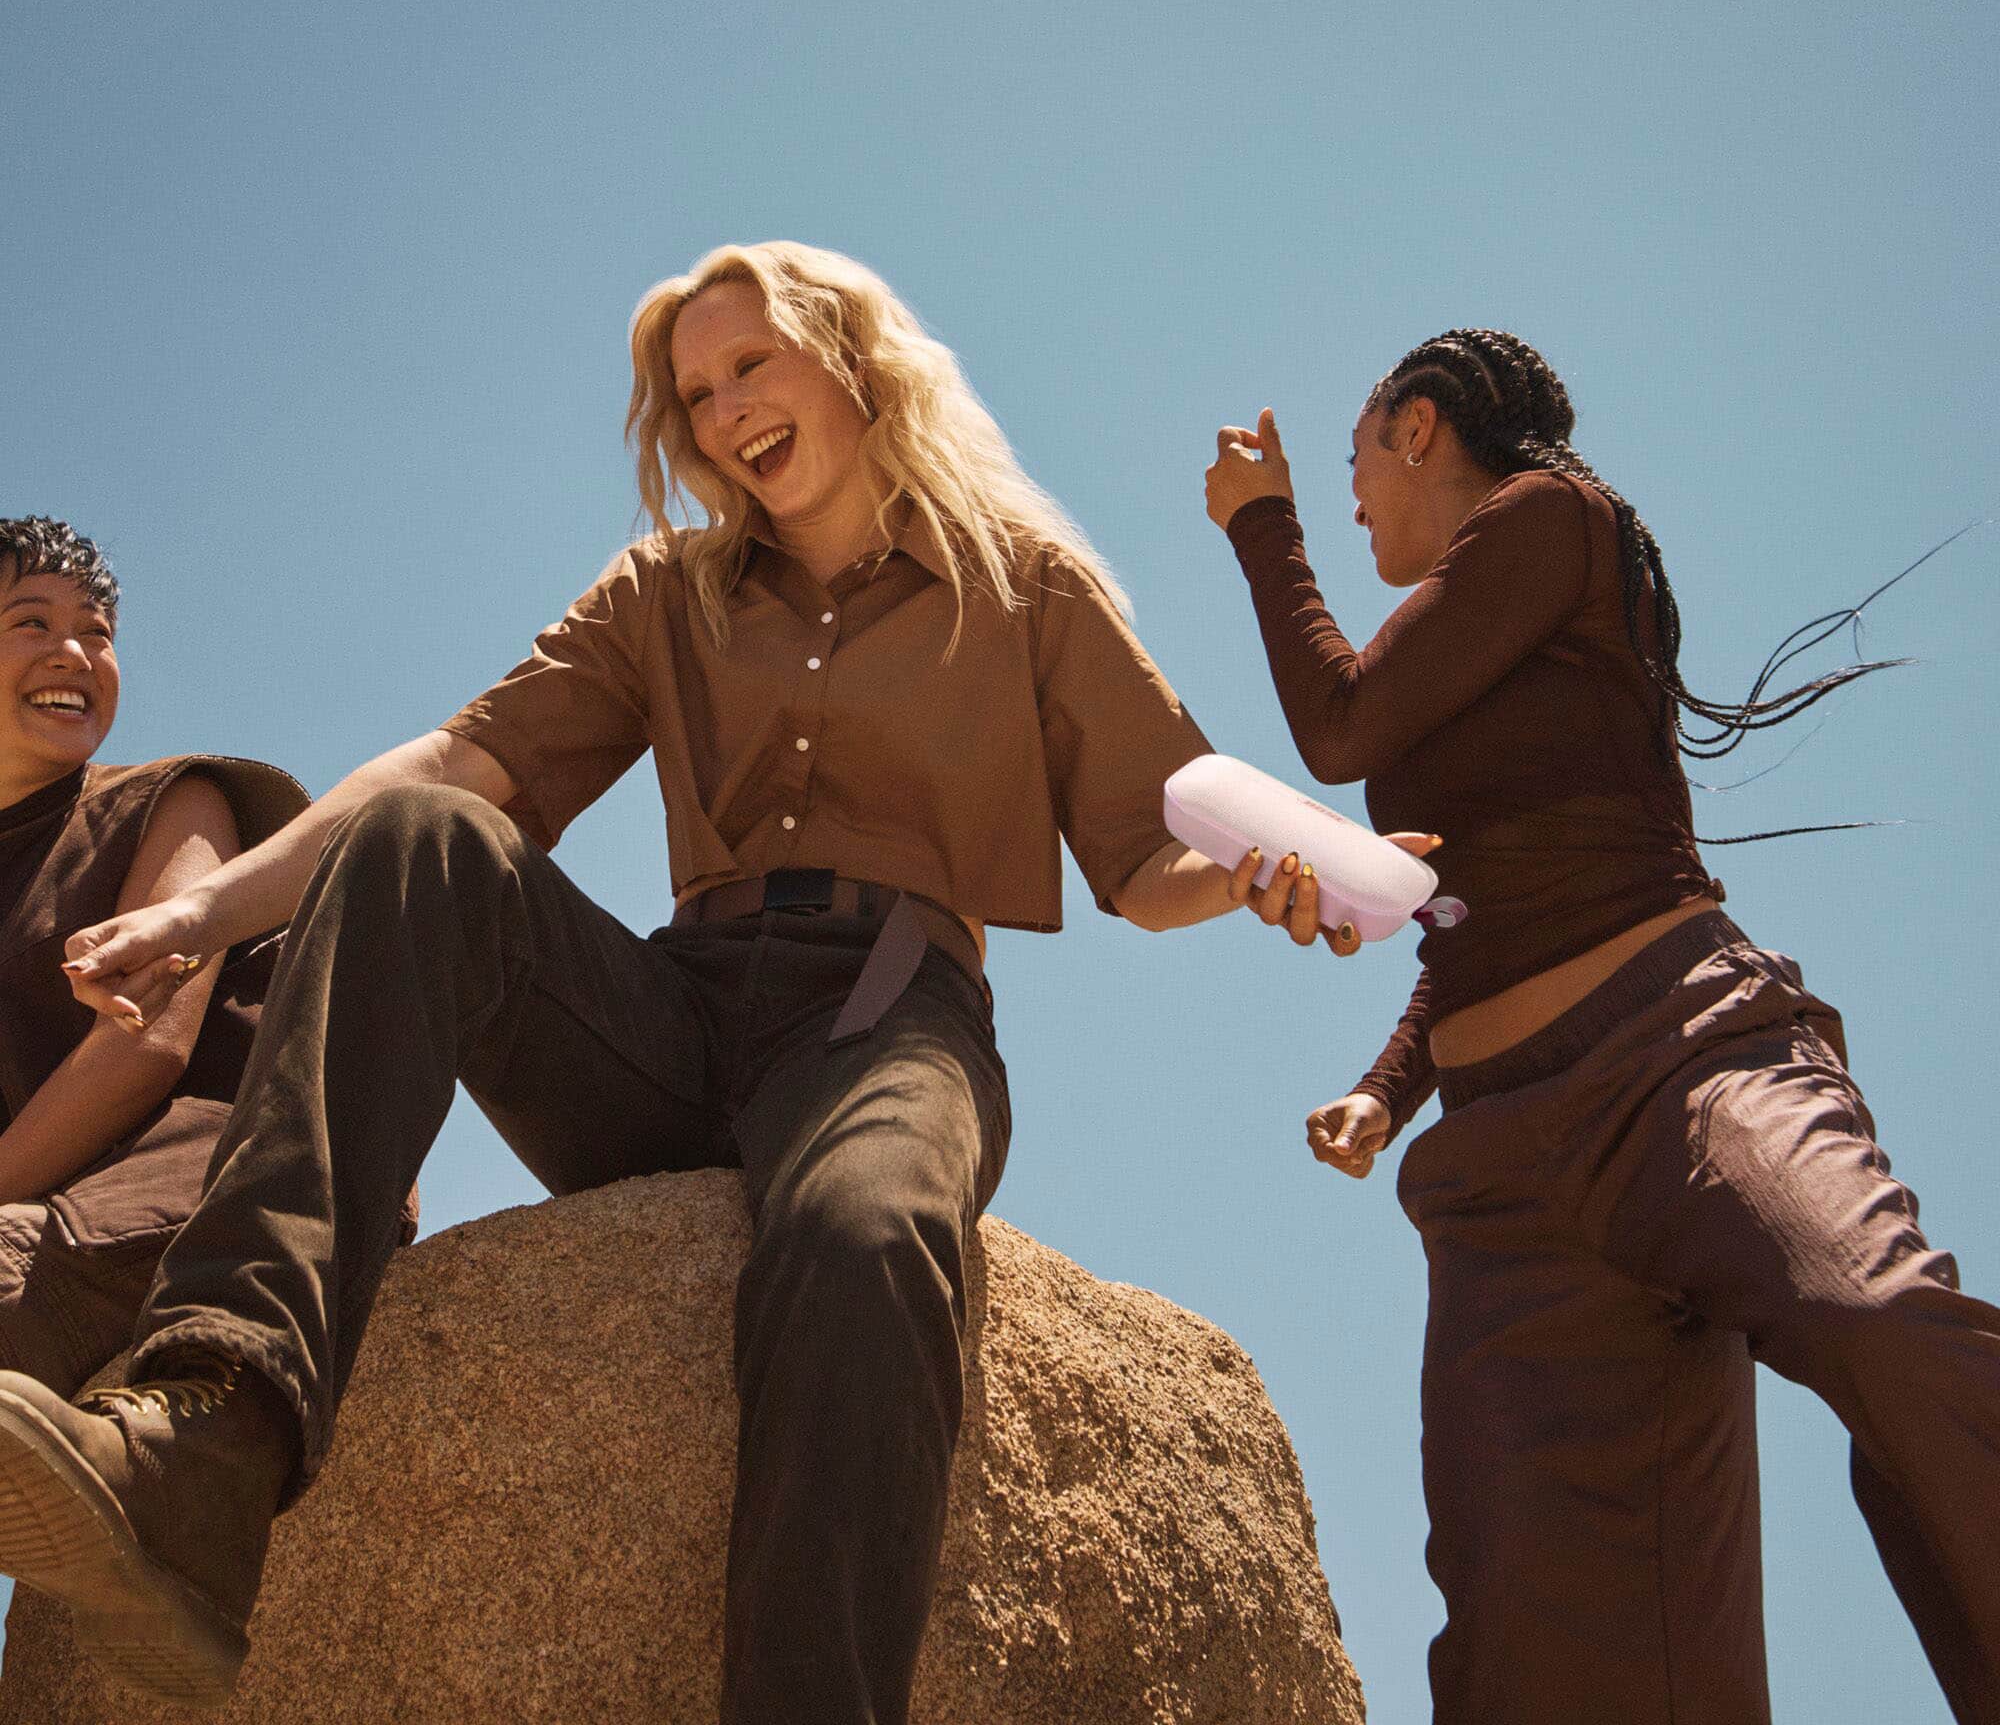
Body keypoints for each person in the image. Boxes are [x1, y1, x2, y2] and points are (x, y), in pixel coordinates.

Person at [0, 245, 1398, 1722]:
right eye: (695, 394)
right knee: (421, 836)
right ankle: (205, 1444)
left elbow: (1145, 857)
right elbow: (463, 762)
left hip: (887, 1019)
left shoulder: (1023, 585)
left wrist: (1256, 879)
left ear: (852, 358)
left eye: (751, 365)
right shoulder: (665, 590)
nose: (724, 411)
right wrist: (202, 910)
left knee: (864, 1235)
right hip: (674, 1015)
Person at [1203, 330, 2000, 1725]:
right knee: (1535, 1636)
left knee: (1880, 1322)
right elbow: (1478, 912)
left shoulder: (1551, 517)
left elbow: (1338, 726)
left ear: (1418, 428)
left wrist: (1262, 526)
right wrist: (1388, 1086)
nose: (1349, 501)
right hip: (1503, 1173)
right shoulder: (1465, 651)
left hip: (1684, 1060)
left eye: (1353, 461)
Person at [0, 518, 317, 1403]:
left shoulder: (177, 802)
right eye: (32, 622)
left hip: (204, 1179)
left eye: (96, 632)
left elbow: (144, 1047)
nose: (74, 653)